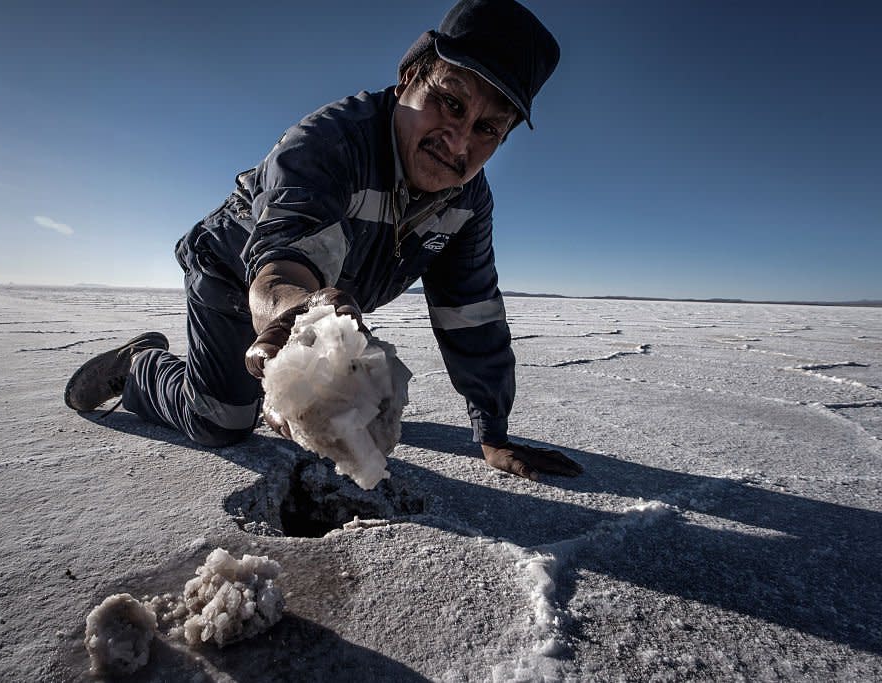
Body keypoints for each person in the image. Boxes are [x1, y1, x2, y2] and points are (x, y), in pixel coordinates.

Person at [64, 0, 582, 480]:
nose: (459, 142)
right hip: (234, 277)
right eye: (449, 103)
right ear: (408, 80)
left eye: (488, 129)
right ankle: (139, 367)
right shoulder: (331, 142)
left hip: (320, 297)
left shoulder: (467, 200)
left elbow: (471, 311)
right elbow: (285, 258)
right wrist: (297, 311)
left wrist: (491, 432)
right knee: (221, 421)